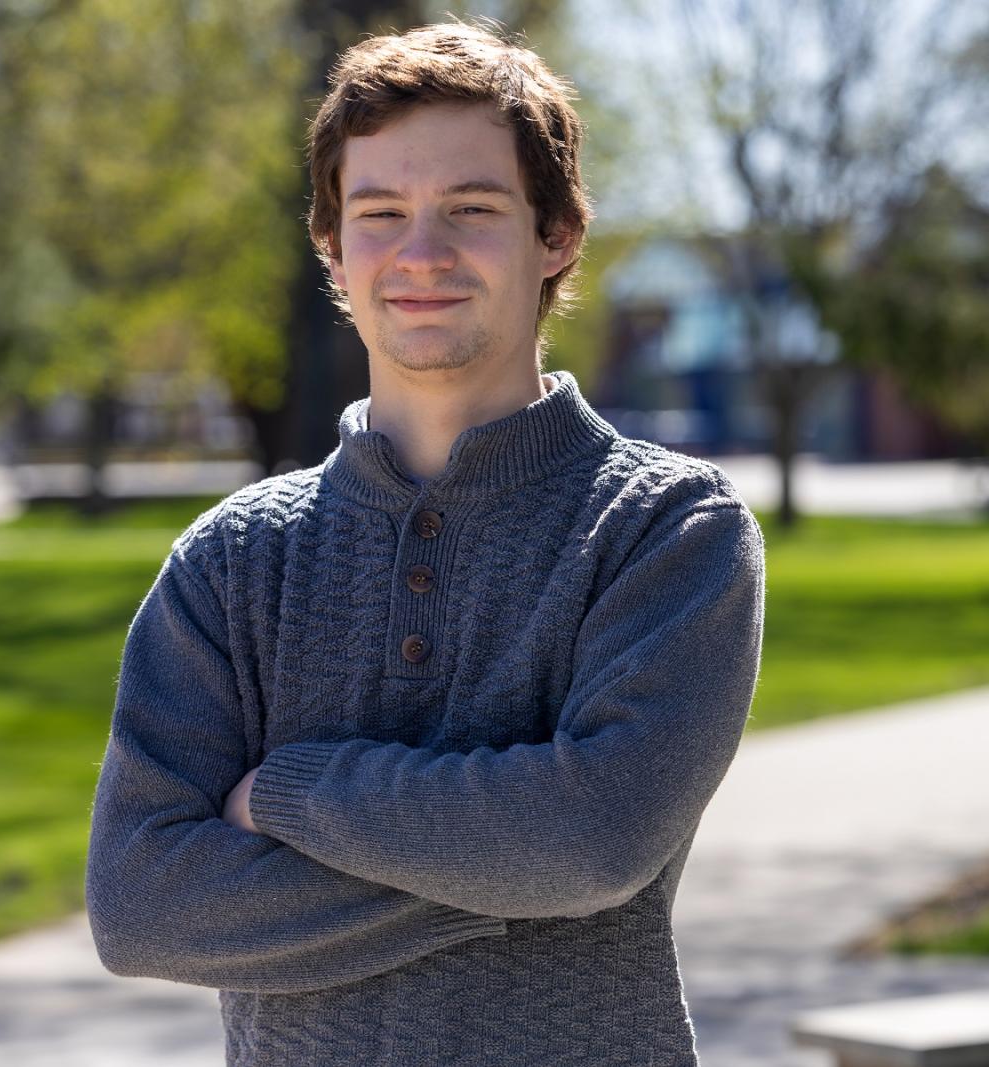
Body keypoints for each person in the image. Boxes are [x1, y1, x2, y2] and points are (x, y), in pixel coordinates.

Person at [83, 19, 766, 1067]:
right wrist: (504, 873)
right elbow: (141, 903)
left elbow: (592, 839)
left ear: (558, 235)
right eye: (381, 213)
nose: (421, 254)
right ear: (333, 249)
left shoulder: (663, 527)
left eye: (471, 209)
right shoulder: (231, 559)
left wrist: (285, 794)